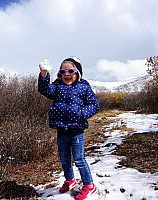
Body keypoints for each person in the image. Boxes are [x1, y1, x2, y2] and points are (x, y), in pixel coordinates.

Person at [38, 57, 100, 200]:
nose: (67, 74)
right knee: (65, 160)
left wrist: (82, 113)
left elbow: (94, 104)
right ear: (60, 74)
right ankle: (70, 180)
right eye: (63, 71)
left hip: (76, 130)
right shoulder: (57, 86)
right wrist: (43, 74)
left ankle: (89, 185)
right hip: (61, 129)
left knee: (79, 159)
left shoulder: (83, 86)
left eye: (71, 70)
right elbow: (44, 89)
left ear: (77, 73)